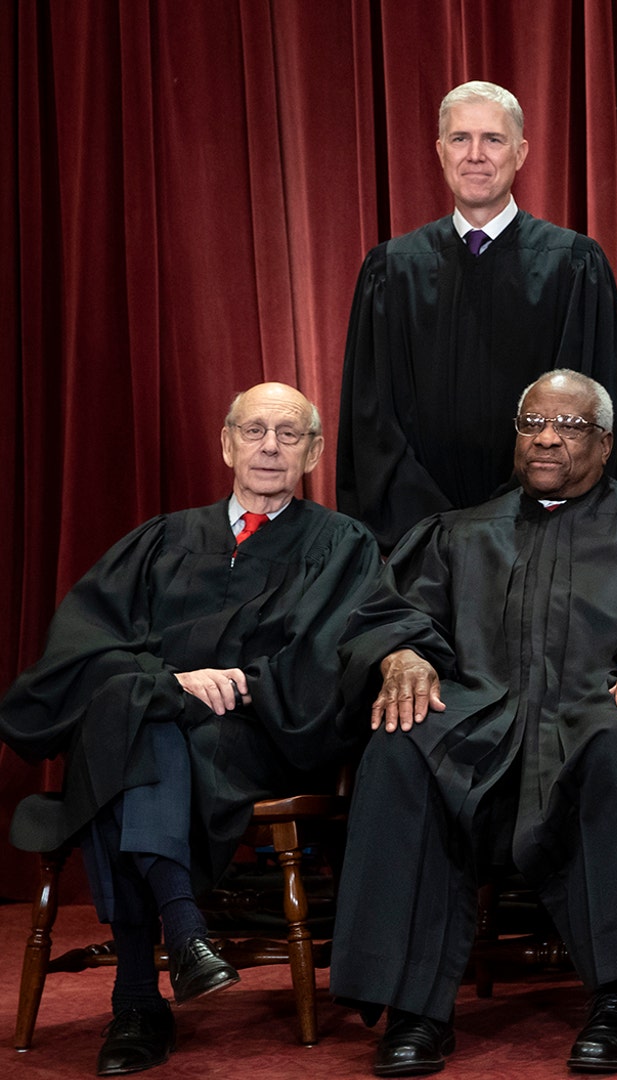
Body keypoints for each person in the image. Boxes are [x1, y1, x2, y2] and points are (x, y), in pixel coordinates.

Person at [328, 370, 617, 1075]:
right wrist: (400, 652)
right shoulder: (460, 535)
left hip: (597, 722)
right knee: (402, 741)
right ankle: (415, 1010)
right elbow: (388, 615)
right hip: (481, 733)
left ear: (607, 442)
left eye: (571, 425)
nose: (548, 437)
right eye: (533, 424)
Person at [0, 383, 380, 1076]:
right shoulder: (162, 539)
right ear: (226, 443)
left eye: (289, 434)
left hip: (256, 736)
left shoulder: (340, 545)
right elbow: (79, 648)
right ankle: (185, 934)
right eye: (255, 430)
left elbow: (324, 663)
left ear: (314, 451)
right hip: (154, 728)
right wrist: (169, 682)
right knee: (140, 722)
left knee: (131, 733)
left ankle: (139, 998)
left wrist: (212, 690)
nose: (270, 446)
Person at [336, 80, 617, 552]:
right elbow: (372, 419)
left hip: (549, 531)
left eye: (493, 139)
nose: (475, 154)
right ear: (440, 151)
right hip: (418, 538)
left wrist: (512, 512)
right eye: (461, 139)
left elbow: (594, 408)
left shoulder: (572, 263)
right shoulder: (392, 269)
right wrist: (435, 526)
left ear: (521, 153)